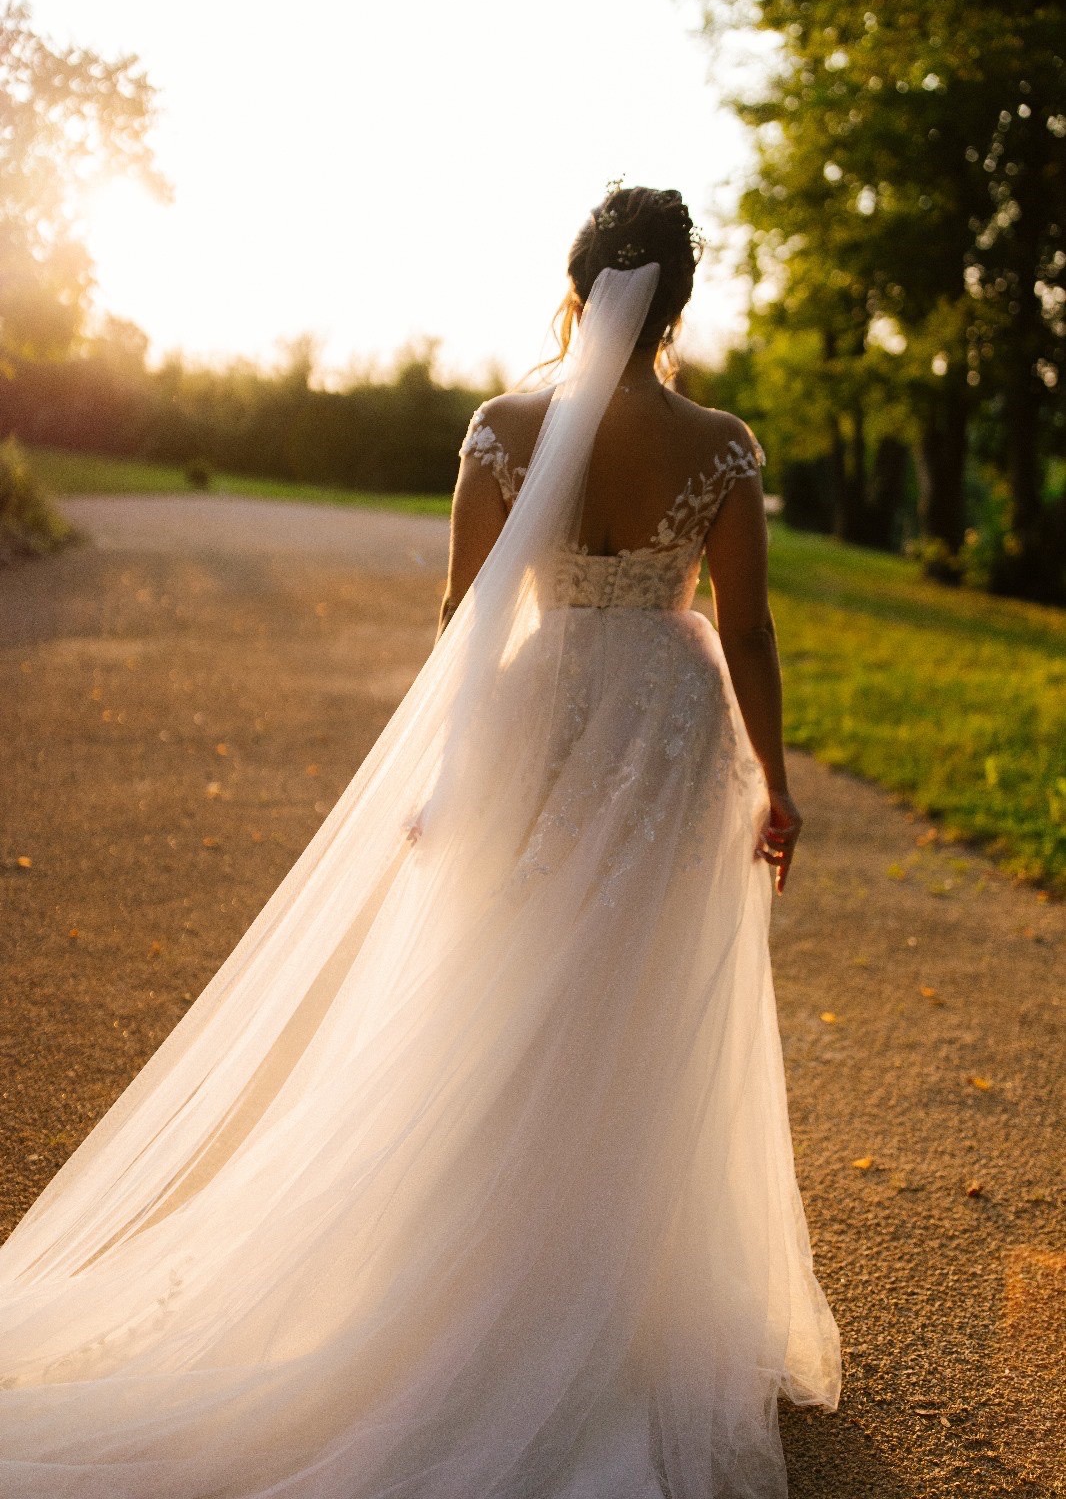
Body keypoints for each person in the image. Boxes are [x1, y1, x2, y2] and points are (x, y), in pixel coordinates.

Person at [0, 186, 839, 1498]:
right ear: (676, 305)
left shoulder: (502, 428)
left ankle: (472, 1268)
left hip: (533, 717)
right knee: (632, 999)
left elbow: (462, 616)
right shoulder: (719, 446)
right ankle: (604, 1293)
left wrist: (452, 766)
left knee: (499, 984)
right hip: (668, 733)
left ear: (576, 292)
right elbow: (747, 631)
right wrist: (774, 783)